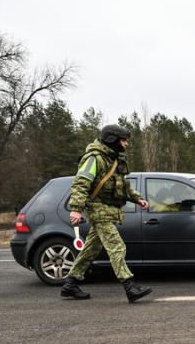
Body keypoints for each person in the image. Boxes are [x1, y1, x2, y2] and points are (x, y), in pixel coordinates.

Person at [60, 124, 153, 303]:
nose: (126, 144)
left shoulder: (115, 160)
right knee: (117, 246)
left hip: (109, 210)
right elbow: (81, 183)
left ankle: (70, 284)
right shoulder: (94, 158)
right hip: (97, 209)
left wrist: (137, 199)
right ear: (112, 139)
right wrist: (76, 209)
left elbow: (122, 187)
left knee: (91, 249)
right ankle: (130, 286)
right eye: (124, 140)